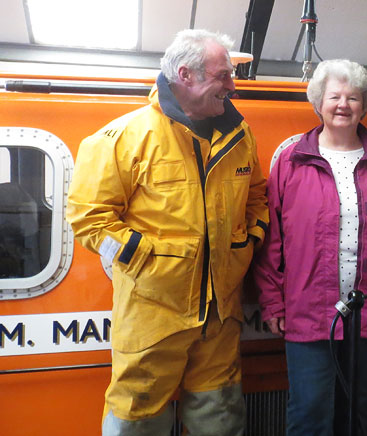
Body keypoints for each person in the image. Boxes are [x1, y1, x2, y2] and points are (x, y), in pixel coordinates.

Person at [66, 29, 268, 436]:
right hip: (152, 315)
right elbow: (89, 219)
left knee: (221, 422)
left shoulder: (238, 135)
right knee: (137, 423)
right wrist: (148, 261)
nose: (233, 86)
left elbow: (257, 196)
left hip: (221, 314)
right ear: (186, 75)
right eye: (224, 76)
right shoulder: (122, 137)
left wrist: (250, 240)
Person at [253, 59, 367, 436]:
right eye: (334, 96)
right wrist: (272, 301)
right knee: (309, 413)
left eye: (353, 97)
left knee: (355, 413)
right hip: (307, 309)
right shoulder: (291, 160)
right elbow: (272, 241)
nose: (343, 105)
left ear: (364, 105)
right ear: (318, 102)